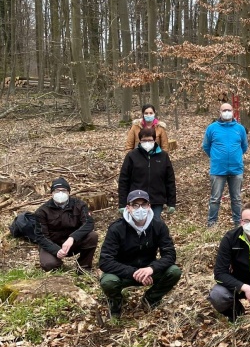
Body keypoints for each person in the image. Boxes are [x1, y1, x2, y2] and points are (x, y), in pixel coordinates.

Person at [99, 190, 181, 319]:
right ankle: (116, 304)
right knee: (108, 281)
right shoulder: (117, 228)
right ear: (128, 208)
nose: (140, 209)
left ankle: (151, 299)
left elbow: (170, 254)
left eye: (143, 205)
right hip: (123, 272)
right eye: (135, 205)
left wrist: (152, 268)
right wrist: (133, 272)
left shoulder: (158, 226)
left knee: (174, 271)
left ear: (149, 206)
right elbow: (105, 261)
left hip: (149, 272)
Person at [34, 177, 98, 273]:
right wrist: (55, 250)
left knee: (92, 236)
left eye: (64, 190)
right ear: (51, 193)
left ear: (68, 192)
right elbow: (41, 236)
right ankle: (58, 265)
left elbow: (88, 223)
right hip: (52, 244)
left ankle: (83, 267)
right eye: (57, 191)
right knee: (49, 264)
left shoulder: (79, 205)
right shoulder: (42, 211)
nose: (60, 193)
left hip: (73, 243)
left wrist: (72, 238)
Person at [202, 102, 249, 227]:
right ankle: (212, 224)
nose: (227, 112)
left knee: (237, 199)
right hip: (218, 170)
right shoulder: (212, 128)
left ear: (233, 112)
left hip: (236, 169)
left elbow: (244, 146)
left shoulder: (240, 129)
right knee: (215, 199)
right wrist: (217, 157)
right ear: (220, 112)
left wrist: (235, 157)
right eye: (224, 110)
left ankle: (238, 224)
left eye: (229, 110)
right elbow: (206, 146)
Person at [118, 128, 177, 221]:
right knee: (137, 225)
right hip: (137, 200)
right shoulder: (131, 156)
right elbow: (124, 180)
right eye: (144, 140)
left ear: (154, 140)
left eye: (150, 140)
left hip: (157, 199)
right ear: (140, 141)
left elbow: (169, 180)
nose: (147, 142)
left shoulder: (163, 156)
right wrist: (122, 203)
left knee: (155, 225)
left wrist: (171, 202)